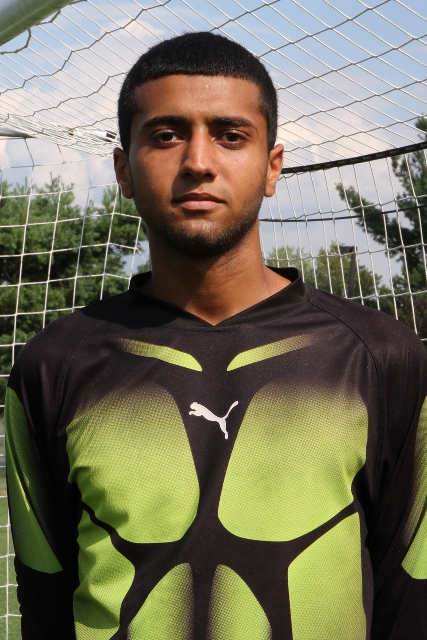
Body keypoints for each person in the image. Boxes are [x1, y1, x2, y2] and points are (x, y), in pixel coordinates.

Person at [5, 31, 427, 640]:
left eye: (230, 135)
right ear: (123, 169)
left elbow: (409, 601)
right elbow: (46, 604)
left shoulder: (383, 358)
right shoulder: (53, 366)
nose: (198, 161)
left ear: (272, 168)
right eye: (166, 135)